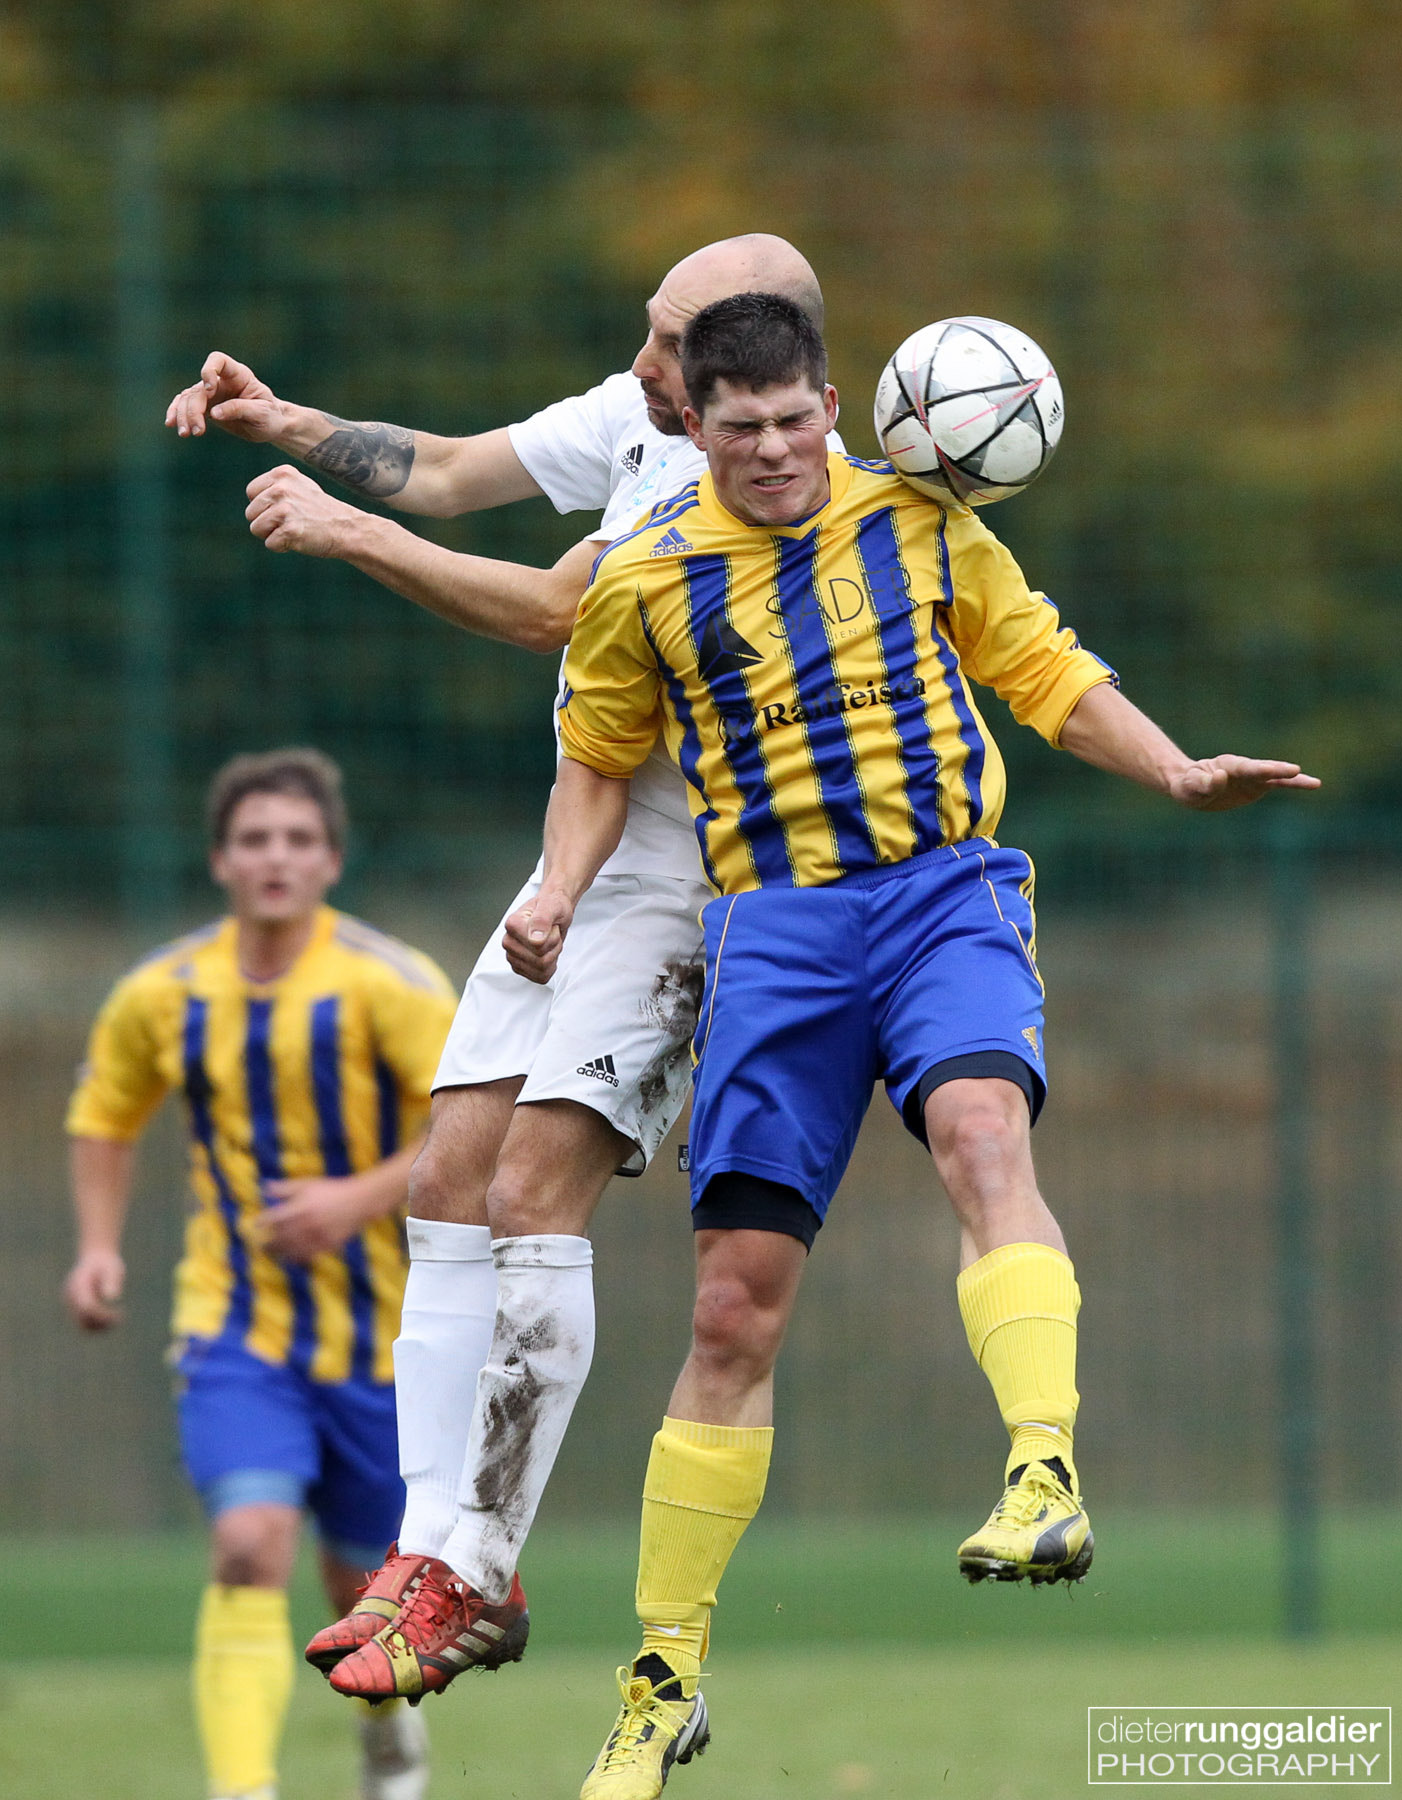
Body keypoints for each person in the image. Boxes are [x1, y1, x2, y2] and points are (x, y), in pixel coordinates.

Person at [498, 292, 1321, 1799]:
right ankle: (662, 1675)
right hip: (774, 933)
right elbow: (596, 761)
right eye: (735, 427)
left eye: (792, 420)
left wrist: (1173, 768)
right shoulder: (647, 575)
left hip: (940, 892)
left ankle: (1039, 1470)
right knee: (732, 1314)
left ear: (834, 405)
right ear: (690, 422)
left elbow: (1044, 671)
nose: (769, 452)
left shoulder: (926, 523)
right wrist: (554, 895)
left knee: (980, 1134)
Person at [163, 239, 844, 1704]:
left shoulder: (759, 481)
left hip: (682, 891)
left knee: (533, 1193)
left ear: (756, 360)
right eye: (651, 344)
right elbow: (457, 467)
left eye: (670, 347)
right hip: (571, 870)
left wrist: (342, 536)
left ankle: (467, 1569)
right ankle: (441, 1554)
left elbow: (552, 610)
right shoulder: (646, 413)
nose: (643, 366)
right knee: (443, 1184)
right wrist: (293, 427)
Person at [63, 750, 458, 1800]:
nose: (274, 858)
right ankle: (243, 1789)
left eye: (295, 839)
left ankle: (385, 1739)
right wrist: (99, 1248)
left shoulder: (392, 981)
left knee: (360, 1590)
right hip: (234, 1331)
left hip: (384, 1338)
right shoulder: (163, 991)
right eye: (253, 840)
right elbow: (104, 1118)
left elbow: (473, 1125)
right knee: (247, 1543)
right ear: (220, 860)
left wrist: (357, 1199)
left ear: (331, 858)